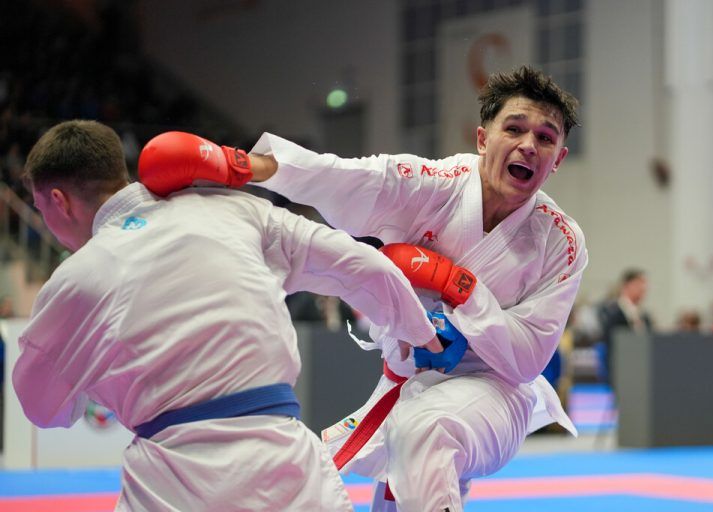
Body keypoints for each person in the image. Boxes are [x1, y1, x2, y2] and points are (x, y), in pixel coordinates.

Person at [139, 66, 588, 512]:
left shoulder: (562, 243)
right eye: (514, 128)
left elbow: (528, 358)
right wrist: (234, 164)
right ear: (482, 139)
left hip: (496, 391)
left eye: (545, 138)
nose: (529, 145)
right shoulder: (434, 184)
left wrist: (460, 288)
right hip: (408, 381)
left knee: (425, 430)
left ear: (558, 159)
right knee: (392, 472)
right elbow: (337, 176)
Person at [11, 120, 446, 511]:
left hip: (172, 482)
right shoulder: (234, 209)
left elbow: (44, 410)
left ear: (58, 201)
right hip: (288, 467)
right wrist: (422, 336)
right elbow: (362, 265)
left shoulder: (77, 280)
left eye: (42, 210)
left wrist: (99, 380)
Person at [597, 268, 653, 385]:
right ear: (626, 286)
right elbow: (610, 344)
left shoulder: (645, 317)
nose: (644, 288)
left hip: (641, 373)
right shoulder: (611, 312)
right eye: (639, 283)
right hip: (619, 372)